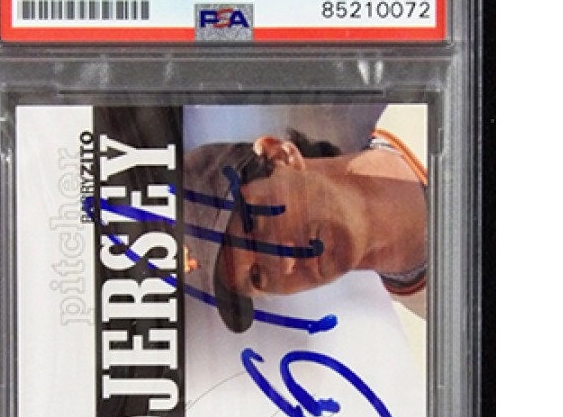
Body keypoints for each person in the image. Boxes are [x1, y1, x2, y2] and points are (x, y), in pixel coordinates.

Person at [182, 112, 428, 336]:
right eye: (257, 276)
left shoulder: (433, 110)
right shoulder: (431, 343)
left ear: (279, 155)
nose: (286, 262)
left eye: (256, 223)